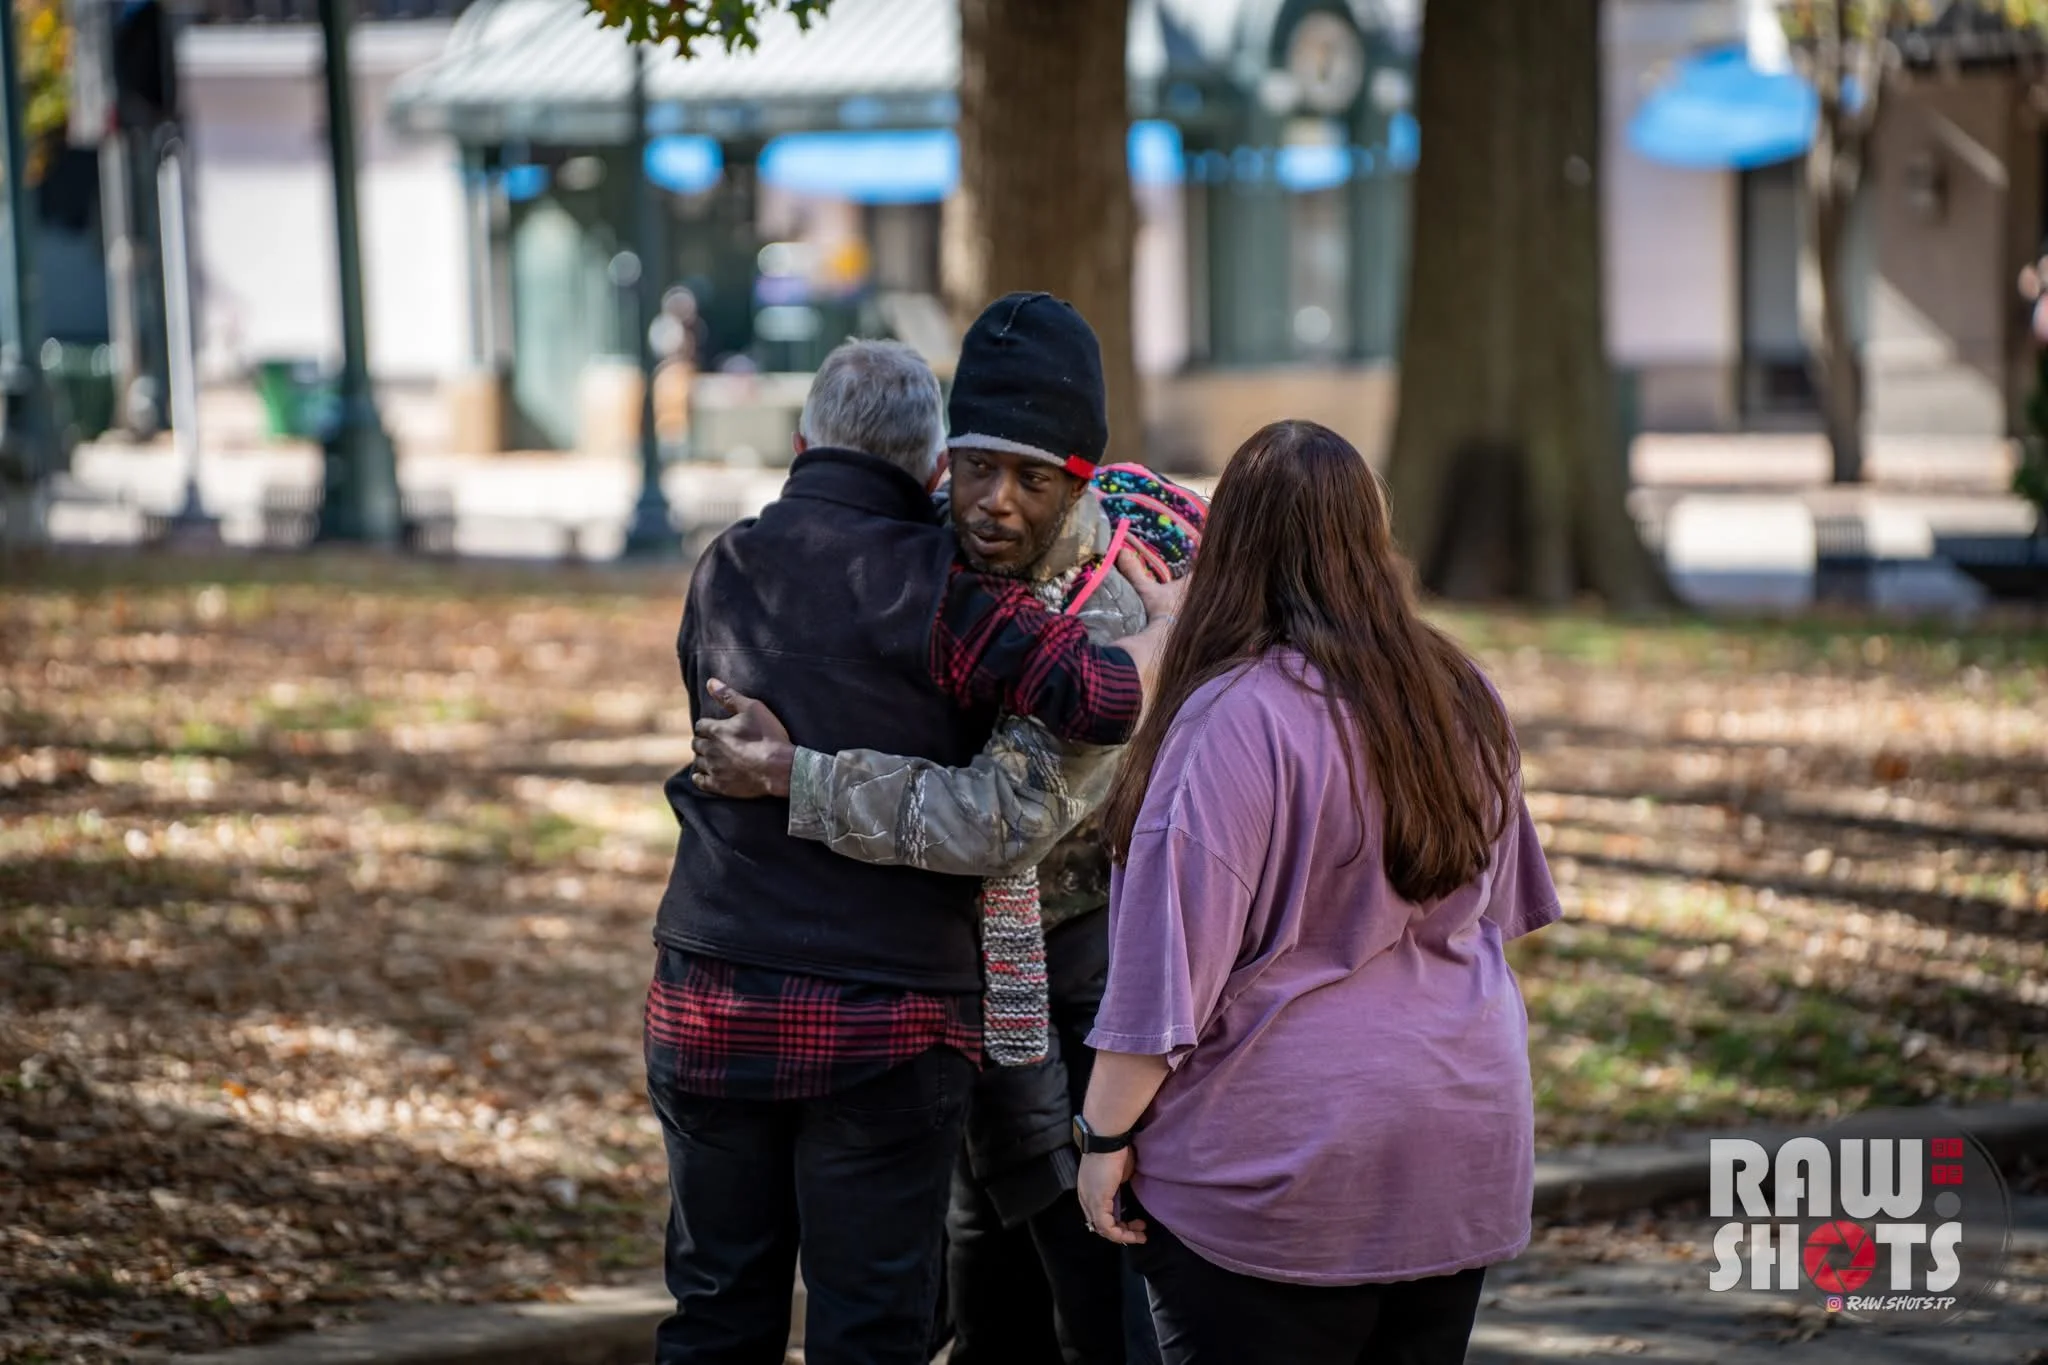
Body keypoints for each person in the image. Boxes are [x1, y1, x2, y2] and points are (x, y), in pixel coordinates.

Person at [645, 338, 1180, 1365]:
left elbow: (999, 813)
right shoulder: (934, 574)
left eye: (1033, 478)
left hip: (1035, 990)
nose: (994, 502)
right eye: (978, 467)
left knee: (739, 1305)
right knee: (886, 1316)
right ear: (939, 466)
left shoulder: (734, 562)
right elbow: (1097, 696)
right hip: (899, 1006)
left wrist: (793, 773)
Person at [1072, 420, 1562, 1365]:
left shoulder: (1230, 720)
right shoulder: (1461, 690)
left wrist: (1102, 1139)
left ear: (1234, 552)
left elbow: (1163, 987)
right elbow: (1498, 911)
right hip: (1460, 1145)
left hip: (1277, 1177)